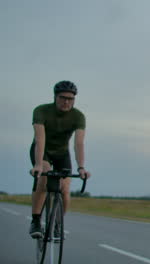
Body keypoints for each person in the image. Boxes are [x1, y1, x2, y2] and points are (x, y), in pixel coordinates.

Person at [29, 80, 91, 238]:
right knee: (44, 180)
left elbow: (78, 143)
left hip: (62, 153)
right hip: (42, 151)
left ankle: (58, 223)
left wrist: (81, 167)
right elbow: (40, 139)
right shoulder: (41, 111)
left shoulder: (78, 116)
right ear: (55, 97)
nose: (66, 102)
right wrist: (37, 165)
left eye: (70, 99)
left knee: (64, 189)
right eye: (63, 98)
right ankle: (35, 221)